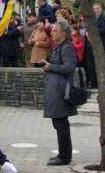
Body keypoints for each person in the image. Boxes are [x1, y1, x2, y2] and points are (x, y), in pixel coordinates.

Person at [41, 21, 77, 166]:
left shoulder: (67, 47)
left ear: (63, 33)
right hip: (56, 90)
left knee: (61, 125)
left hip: (61, 92)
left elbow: (69, 67)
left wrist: (50, 67)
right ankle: (63, 154)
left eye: (55, 30)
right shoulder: (59, 47)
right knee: (59, 124)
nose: (52, 33)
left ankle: (64, 157)